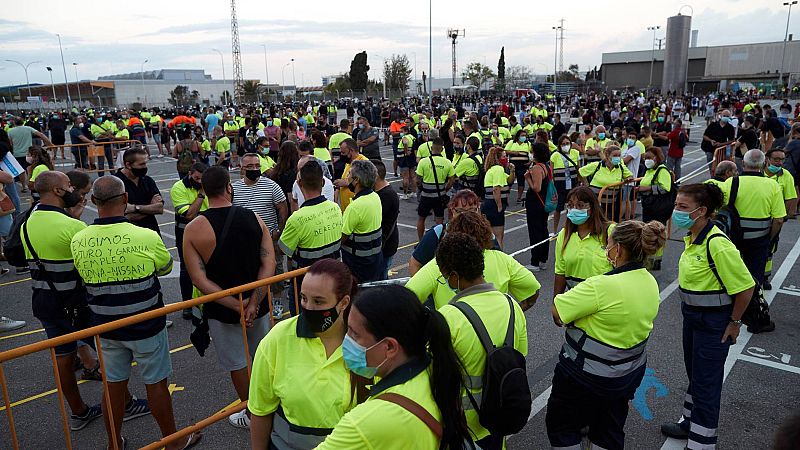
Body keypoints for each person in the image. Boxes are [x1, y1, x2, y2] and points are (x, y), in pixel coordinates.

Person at [70, 176, 200, 450]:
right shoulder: (145, 236)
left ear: (94, 201)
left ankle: (114, 442)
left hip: (104, 325)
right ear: (126, 200)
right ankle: (173, 442)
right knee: (156, 383)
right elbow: (165, 268)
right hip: (145, 323)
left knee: (114, 385)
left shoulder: (79, 239)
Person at [548, 220, 664, 450]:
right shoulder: (650, 282)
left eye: (607, 245)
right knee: (609, 430)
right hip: (627, 374)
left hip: (583, 375)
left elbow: (557, 312)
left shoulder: (600, 285)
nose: (605, 250)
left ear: (618, 249)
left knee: (563, 427)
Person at [315, 284, 472, 450]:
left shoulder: (367, 422)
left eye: (354, 334)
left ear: (389, 347)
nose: (346, 340)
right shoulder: (434, 370)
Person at [661, 183, 756, 450]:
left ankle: (701, 443)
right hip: (692, 317)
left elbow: (746, 287)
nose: (676, 211)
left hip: (713, 322)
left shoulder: (717, 244)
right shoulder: (693, 236)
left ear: (701, 211)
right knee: (696, 374)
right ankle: (689, 423)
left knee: (707, 383)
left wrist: (734, 323)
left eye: (682, 207)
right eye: (676, 205)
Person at [183, 166, 275, 429]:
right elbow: (268, 264)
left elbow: (199, 279)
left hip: (223, 310)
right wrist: (253, 303)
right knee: (263, 355)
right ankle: (271, 404)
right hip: (258, 305)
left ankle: (251, 412)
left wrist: (236, 305)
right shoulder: (254, 218)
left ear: (204, 191)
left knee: (237, 362)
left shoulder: (194, 228)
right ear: (229, 188)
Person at [21, 171, 113, 430]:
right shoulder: (73, 227)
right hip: (76, 302)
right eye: (68, 185)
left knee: (62, 357)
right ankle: (123, 403)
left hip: (44, 299)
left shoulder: (29, 218)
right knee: (109, 351)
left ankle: (78, 411)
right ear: (59, 191)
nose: (73, 188)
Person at [249, 259, 361, 449]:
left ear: (343, 303)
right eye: (303, 298)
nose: (308, 308)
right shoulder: (278, 339)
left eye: (318, 301)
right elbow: (260, 411)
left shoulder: (363, 343)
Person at [435, 232, 529, 449]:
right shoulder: (512, 306)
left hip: (462, 429)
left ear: (455, 276)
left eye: (445, 276)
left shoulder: (449, 317)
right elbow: (520, 357)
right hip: (498, 420)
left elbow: (434, 377)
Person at [406, 210, 540, 311]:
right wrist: (516, 311)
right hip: (497, 339)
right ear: (486, 233)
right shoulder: (503, 259)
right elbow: (532, 289)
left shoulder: (440, 263)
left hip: (450, 336)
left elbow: (406, 299)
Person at [726, 149, 784, 332]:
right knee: (754, 279)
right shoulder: (773, 186)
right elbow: (779, 219)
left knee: (730, 274)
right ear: (764, 165)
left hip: (732, 239)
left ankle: (728, 311)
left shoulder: (731, 182)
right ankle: (754, 318)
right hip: (759, 240)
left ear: (743, 164)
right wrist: (770, 237)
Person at [279, 159, 343, 272]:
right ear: (323, 182)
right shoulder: (336, 208)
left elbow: (283, 250)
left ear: (299, 183)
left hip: (307, 279)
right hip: (333, 274)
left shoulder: (296, 219)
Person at [553, 186, 615, 297]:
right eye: (570, 205)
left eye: (580, 205)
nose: (574, 209)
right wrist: (556, 303)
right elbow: (560, 272)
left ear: (592, 207)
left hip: (604, 299)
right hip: (576, 300)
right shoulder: (564, 235)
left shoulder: (610, 232)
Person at [409, 189, 482, 275]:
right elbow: (414, 263)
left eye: (472, 211)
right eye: (460, 211)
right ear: (452, 210)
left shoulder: (485, 234)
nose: (466, 216)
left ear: (478, 210)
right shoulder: (438, 233)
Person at [170, 163, 209, 319]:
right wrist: (201, 194)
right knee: (187, 269)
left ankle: (207, 301)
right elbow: (189, 214)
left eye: (202, 179)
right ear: (190, 173)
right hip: (185, 233)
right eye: (196, 178)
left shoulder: (208, 184)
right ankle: (187, 304)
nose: (199, 181)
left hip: (207, 231)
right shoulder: (178, 188)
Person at [340, 159, 383, 283]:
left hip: (357, 265)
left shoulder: (355, 207)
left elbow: (342, 237)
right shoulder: (375, 196)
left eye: (349, 174)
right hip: (375, 260)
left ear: (356, 180)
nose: (347, 177)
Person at [763, 148, 796, 290]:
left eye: (782, 160)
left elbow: (790, 198)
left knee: (769, 249)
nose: (779, 163)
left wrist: (784, 215)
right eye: (776, 159)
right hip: (755, 218)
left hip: (774, 221)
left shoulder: (786, 175)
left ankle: (764, 277)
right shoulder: (758, 173)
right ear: (767, 159)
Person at [113, 148, 164, 235]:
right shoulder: (115, 183)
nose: (145, 167)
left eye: (146, 163)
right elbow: (120, 216)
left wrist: (134, 208)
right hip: (128, 235)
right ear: (128, 165)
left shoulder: (147, 181)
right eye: (142, 164)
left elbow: (159, 208)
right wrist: (150, 209)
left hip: (151, 233)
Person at [579, 145, 633, 223]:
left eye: (619, 155)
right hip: (595, 202)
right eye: (615, 155)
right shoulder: (597, 165)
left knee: (608, 222)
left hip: (611, 203)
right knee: (595, 221)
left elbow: (630, 175)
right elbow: (580, 172)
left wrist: (628, 179)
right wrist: (586, 184)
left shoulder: (620, 167)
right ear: (607, 155)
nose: (617, 158)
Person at [415, 138, 455, 241]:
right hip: (439, 196)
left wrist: (422, 188)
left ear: (431, 148)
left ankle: (421, 241)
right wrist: (445, 189)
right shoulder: (447, 162)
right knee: (439, 221)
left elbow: (418, 180)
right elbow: (452, 180)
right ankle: (439, 242)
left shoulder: (423, 162)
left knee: (421, 218)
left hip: (426, 195)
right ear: (442, 150)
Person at [524, 143, 553, 272]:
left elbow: (536, 187)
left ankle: (535, 261)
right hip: (543, 203)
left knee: (535, 231)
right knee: (542, 230)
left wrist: (527, 178)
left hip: (536, 203)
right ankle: (543, 259)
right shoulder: (546, 166)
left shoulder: (536, 168)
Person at [481, 147, 515, 248]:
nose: (506, 159)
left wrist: (512, 171)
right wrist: (499, 206)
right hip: (494, 206)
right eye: (504, 157)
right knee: (498, 236)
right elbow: (496, 189)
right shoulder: (498, 169)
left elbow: (509, 180)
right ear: (497, 158)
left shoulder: (494, 170)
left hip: (488, 205)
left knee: (489, 236)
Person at [8, 117, 53, 191]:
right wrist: (50, 144)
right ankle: (35, 184)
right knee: (32, 169)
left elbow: (10, 143)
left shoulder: (10, 131)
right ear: (23, 122)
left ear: (14, 122)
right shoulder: (28, 128)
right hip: (29, 153)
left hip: (17, 154)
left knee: (20, 171)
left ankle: (24, 187)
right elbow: (41, 135)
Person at [372, 160, 399, 280]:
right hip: (386, 243)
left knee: (380, 278)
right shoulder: (381, 192)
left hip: (385, 245)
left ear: (375, 176)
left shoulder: (386, 195)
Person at [550, 135, 581, 233]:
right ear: (559, 145)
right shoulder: (555, 155)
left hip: (573, 185)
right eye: (563, 144)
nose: (565, 145)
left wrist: (582, 182)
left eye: (567, 143)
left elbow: (579, 169)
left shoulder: (576, 153)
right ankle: (554, 230)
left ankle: (569, 229)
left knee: (571, 207)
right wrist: (552, 188)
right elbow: (551, 174)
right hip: (560, 186)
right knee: (558, 209)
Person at [333, 138, 368, 211]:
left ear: (351, 151)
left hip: (357, 209)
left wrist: (346, 182)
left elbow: (366, 182)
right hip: (347, 208)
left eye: (343, 153)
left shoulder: (363, 162)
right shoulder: (348, 163)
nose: (341, 155)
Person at [504, 130, 531, 203]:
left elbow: (533, 153)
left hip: (523, 166)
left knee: (521, 181)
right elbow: (505, 151)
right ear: (518, 136)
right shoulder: (512, 142)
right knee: (509, 181)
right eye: (522, 135)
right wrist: (513, 152)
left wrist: (530, 162)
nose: (524, 137)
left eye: (525, 135)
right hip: (512, 166)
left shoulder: (528, 144)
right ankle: (505, 196)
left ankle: (519, 197)